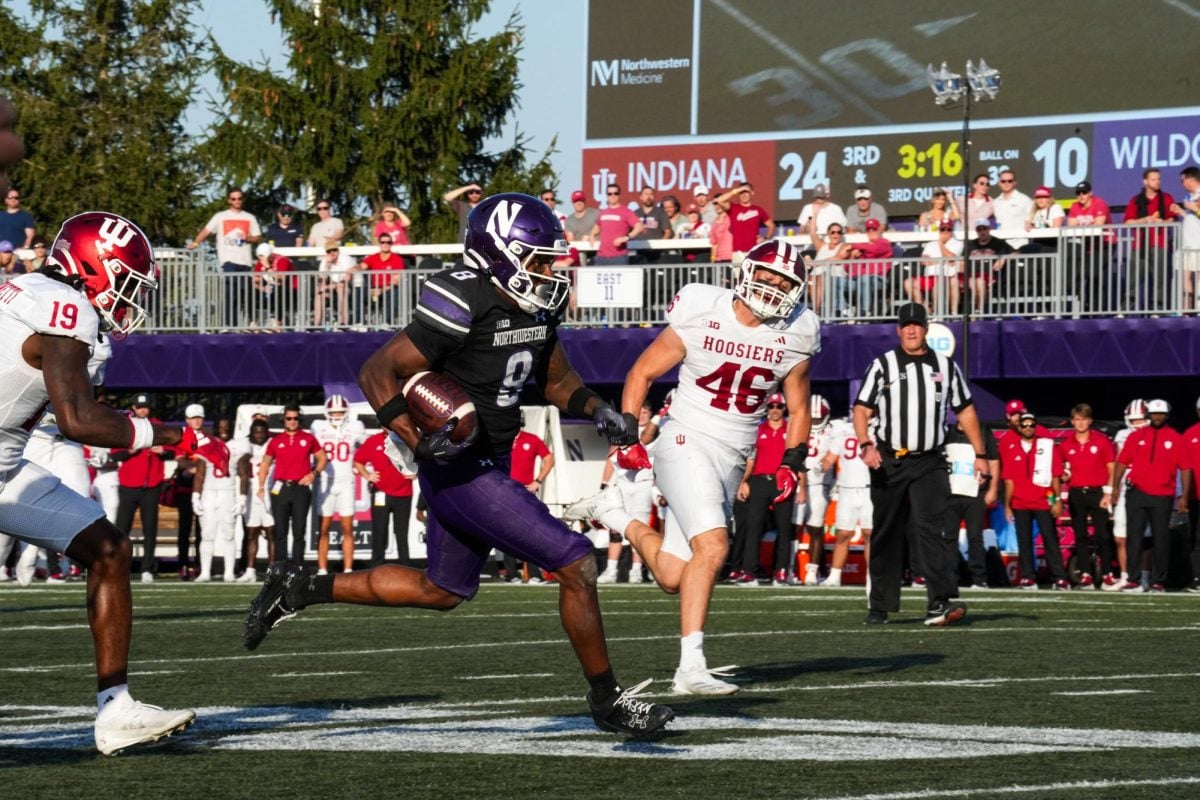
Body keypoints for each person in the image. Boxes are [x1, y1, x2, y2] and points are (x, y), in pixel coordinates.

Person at [244, 192, 674, 739]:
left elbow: (556, 380)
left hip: (490, 459)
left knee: (442, 590)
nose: (547, 271)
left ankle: (298, 589)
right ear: (497, 254)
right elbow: (378, 371)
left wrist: (597, 409)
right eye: (536, 259)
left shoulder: (538, 305)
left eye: (549, 259)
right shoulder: (462, 299)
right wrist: (414, 439)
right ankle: (608, 701)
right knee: (576, 562)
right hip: (459, 465)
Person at [568, 239, 819, 694]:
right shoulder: (702, 306)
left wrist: (792, 462)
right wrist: (627, 436)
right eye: (767, 275)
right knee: (715, 546)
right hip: (685, 438)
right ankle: (690, 668)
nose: (774, 287)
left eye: (785, 282)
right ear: (746, 272)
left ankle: (611, 513)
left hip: (733, 454)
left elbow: (799, 408)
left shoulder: (800, 329)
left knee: (671, 575)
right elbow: (642, 372)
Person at [0, 209, 194, 753]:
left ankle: (116, 710)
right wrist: (163, 433)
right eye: (126, 282)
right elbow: (78, 420)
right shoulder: (65, 308)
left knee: (106, 547)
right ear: (94, 266)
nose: (128, 298)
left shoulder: (27, 289)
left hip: (6, 466)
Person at [853, 302, 986, 625]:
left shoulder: (945, 366)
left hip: (930, 460)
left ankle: (939, 601)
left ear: (926, 328)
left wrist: (981, 455)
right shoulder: (883, 365)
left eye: (917, 324)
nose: (912, 330)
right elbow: (861, 409)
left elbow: (965, 410)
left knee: (931, 529)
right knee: (887, 530)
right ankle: (880, 605)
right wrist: (865, 444)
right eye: (906, 325)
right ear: (898, 330)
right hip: (890, 460)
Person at [1111, 399, 1191, 593]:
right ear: (1148, 415)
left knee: (1161, 538)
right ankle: (1134, 579)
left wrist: (1185, 496)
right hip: (1136, 492)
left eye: (1161, 414)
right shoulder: (1136, 436)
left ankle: (1158, 581)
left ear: (1167, 415)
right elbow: (1122, 462)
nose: (1157, 417)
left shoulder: (1175, 438)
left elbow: (1186, 468)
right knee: (1135, 537)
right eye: (1154, 414)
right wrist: (1114, 488)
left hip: (1163, 495)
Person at [730, 392, 794, 585]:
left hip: (782, 481)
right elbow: (750, 459)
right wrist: (744, 481)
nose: (775, 410)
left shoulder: (790, 430)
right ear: (767, 409)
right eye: (771, 407)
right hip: (759, 480)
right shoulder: (758, 430)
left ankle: (781, 570)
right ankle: (749, 571)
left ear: (784, 409)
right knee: (753, 526)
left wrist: (802, 486)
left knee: (784, 527)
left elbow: (798, 458)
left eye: (779, 407)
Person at [1001, 412, 1069, 590]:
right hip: (1020, 502)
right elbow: (1009, 480)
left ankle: (1059, 577)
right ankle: (1028, 577)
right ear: (1019, 427)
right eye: (1024, 425)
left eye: (1032, 425)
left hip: (1042, 500)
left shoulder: (1047, 446)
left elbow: (1055, 475)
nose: (1028, 428)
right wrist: (1007, 505)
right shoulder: (1012, 447)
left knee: (1050, 539)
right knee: (1023, 541)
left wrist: (1056, 500)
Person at [595, 402, 657, 585]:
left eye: (646, 412)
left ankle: (636, 571)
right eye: (640, 411)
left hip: (644, 482)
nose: (642, 415)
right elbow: (611, 456)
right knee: (615, 527)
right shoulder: (624, 428)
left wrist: (659, 416)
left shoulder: (654, 430)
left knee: (639, 527)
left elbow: (645, 439)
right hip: (623, 481)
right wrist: (604, 484)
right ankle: (611, 569)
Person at [112, 394, 172, 581]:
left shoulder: (158, 425)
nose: (143, 410)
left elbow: (173, 450)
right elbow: (115, 455)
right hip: (129, 484)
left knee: (150, 528)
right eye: (139, 407)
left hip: (152, 485)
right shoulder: (126, 426)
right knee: (122, 529)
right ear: (133, 408)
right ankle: (118, 567)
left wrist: (163, 451)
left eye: (145, 407)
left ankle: (147, 568)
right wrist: (129, 451)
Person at [257, 404, 326, 563]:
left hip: (300, 489)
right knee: (280, 532)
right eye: (289, 418)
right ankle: (281, 568)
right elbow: (265, 463)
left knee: (299, 532)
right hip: (280, 489)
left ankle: (297, 568)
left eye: (295, 418)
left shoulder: (308, 438)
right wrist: (261, 487)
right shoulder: (276, 440)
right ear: (284, 420)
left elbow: (322, 458)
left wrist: (314, 473)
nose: (292, 421)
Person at [1057, 403, 1116, 588]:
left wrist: (1109, 492)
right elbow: (1062, 471)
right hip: (1076, 493)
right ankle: (1085, 575)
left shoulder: (1101, 441)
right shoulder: (1065, 445)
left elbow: (1111, 468)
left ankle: (1107, 573)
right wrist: (1065, 476)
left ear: (1089, 421)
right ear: (1072, 421)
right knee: (1080, 536)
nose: (1080, 423)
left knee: (1103, 535)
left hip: (1098, 492)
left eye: (1084, 419)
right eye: (1077, 419)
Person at [187, 187, 262, 328]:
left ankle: (251, 323)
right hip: (228, 260)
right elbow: (206, 230)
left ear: (242, 200)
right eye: (234, 199)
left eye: (239, 198)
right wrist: (196, 242)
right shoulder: (220, 216)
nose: (237, 201)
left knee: (246, 293)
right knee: (231, 292)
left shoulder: (249, 218)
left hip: (245, 261)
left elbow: (258, 237)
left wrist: (248, 238)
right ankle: (229, 324)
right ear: (229, 200)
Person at [312, 394, 367, 574]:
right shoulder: (318, 427)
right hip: (325, 482)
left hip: (346, 482)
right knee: (324, 527)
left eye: (340, 412)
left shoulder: (354, 427)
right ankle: (322, 569)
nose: (336, 415)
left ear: (346, 412)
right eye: (333, 412)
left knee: (347, 527)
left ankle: (348, 569)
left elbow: (367, 444)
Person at [944, 416, 1000, 588]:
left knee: (975, 536)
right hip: (951, 493)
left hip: (975, 492)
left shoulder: (983, 432)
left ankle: (979, 578)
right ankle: (949, 578)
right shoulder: (948, 432)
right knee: (949, 537)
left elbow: (994, 461)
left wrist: (993, 488)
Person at [821, 413, 874, 587]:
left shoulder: (879, 430)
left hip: (869, 488)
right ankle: (835, 575)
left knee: (869, 534)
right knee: (842, 534)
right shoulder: (843, 431)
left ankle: (871, 575)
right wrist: (815, 467)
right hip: (846, 488)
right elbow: (829, 458)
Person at [1103, 399, 1151, 590]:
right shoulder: (1122, 435)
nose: (1137, 423)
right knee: (1120, 536)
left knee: (1145, 537)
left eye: (1140, 419)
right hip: (1124, 489)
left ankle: (1145, 577)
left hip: (1147, 489)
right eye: (1134, 419)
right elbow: (1116, 464)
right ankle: (1125, 576)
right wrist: (1110, 490)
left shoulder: (1154, 435)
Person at [504, 411, 556, 583]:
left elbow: (548, 459)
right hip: (505, 490)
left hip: (526, 491)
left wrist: (538, 481)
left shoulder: (531, 439)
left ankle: (534, 573)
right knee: (507, 530)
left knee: (530, 530)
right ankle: (511, 573)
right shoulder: (501, 440)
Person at [353, 429, 416, 568]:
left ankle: (406, 566)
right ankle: (376, 565)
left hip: (404, 493)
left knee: (401, 531)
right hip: (380, 493)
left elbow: (422, 457)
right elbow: (358, 460)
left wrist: (416, 472)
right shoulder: (374, 440)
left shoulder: (406, 437)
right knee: (379, 530)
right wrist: (367, 475)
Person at [792, 395, 836, 587]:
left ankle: (813, 570)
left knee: (815, 529)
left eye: (819, 418)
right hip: (798, 483)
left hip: (820, 484)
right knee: (793, 528)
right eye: (814, 417)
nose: (816, 421)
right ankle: (789, 568)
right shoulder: (799, 426)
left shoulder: (835, 431)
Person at [1123, 168, 1179, 312]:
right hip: (1139, 245)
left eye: (1159, 179)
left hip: (1159, 243)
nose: (1157, 182)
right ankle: (1127, 307)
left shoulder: (1166, 198)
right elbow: (1128, 222)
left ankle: (1157, 308)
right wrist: (1144, 220)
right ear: (1145, 181)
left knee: (1159, 278)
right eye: (1154, 179)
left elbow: (1172, 219)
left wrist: (1162, 221)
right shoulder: (1136, 200)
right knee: (1133, 278)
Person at [191, 416, 238, 582]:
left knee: (229, 534)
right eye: (221, 427)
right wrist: (195, 496)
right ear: (216, 429)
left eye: (227, 427)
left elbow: (244, 474)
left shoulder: (238, 445)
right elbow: (200, 473)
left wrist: (242, 497)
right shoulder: (207, 445)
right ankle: (205, 572)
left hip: (228, 492)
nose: (224, 430)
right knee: (207, 534)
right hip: (209, 493)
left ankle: (229, 572)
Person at [236, 419, 275, 582]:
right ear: (251, 432)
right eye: (256, 431)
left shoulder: (273, 443)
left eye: (262, 432)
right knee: (252, 532)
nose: (259, 435)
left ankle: (272, 571)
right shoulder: (244, 445)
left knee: (271, 532)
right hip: (251, 491)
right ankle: (250, 570)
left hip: (268, 490)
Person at [1065, 181, 1113, 312]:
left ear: (1090, 193)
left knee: (1093, 273)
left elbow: (1098, 225)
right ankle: (1085, 304)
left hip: (1104, 244)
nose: (1081, 195)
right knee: (1080, 273)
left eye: (1084, 192)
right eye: (1078, 193)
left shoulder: (1099, 203)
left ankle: (1096, 307)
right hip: (1086, 246)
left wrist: (1082, 227)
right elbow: (1071, 226)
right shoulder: (1075, 206)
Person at [715, 183, 775, 266]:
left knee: (753, 277)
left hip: (755, 252)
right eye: (741, 192)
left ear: (752, 193)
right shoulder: (733, 208)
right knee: (739, 277)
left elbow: (771, 226)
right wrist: (736, 190)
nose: (744, 194)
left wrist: (765, 238)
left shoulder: (758, 210)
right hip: (737, 252)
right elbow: (719, 200)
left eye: (746, 192)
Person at [912, 220, 963, 314]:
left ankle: (938, 314)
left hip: (946, 275)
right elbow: (924, 261)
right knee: (909, 283)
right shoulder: (930, 244)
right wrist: (942, 261)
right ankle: (925, 311)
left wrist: (940, 244)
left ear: (952, 231)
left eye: (948, 229)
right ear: (939, 230)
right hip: (930, 275)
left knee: (938, 285)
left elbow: (950, 258)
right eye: (943, 229)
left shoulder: (957, 243)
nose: (945, 231)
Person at [846, 218, 893, 317]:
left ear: (879, 230)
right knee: (837, 282)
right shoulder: (862, 248)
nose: (871, 232)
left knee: (865, 278)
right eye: (869, 230)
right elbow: (848, 269)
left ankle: (866, 311)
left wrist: (855, 246)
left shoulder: (884, 242)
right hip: (859, 279)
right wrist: (852, 257)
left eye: (874, 229)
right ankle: (841, 311)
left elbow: (875, 250)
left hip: (879, 280)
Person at [962, 222, 1012, 313]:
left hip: (991, 276)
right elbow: (962, 261)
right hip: (972, 276)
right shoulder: (970, 244)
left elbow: (1016, 252)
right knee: (974, 282)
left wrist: (1004, 258)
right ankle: (975, 312)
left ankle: (979, 312)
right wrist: (964, 278)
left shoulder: (999, 243)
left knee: (980, 281)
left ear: (989, 229)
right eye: (979, 229)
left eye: (984, 228)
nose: (982, 231)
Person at [361, 232, 406, 328]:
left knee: (393, 293)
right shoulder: (373, 257)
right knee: (359, 292)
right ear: (379, 244)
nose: (385, 244)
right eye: (383, 242)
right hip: (374, 289)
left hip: (388, 289)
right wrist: (352, 269)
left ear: (391, 244)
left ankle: (387, 323)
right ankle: (359, 323)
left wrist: (381, 290)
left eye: (388, 242)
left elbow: (396, 280)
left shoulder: (397, 259)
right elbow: (361, 266)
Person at [592, 184, 643, 266]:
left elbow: (639, 226)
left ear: (619, 195)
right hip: (601, 257)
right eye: (610, 194)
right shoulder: (602, 213)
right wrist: (592, 235)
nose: (613, 196)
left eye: (615, 193)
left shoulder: (626, 212)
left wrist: (626, 237)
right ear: (607, 196)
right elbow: (598, 226)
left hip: (619, 257)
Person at [1172, 166, 1200, 311]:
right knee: (1185, 276)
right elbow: (1192, 218)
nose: (1181, 184)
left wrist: (1196, 209)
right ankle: (1186, 310)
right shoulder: (1189, 197)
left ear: (1190, 179)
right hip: (1187, 243)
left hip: (1198, 244)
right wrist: (1182, 212)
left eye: (1182, 180)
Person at [630, 185, 673, 265]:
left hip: (656, 253)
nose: (648, 197)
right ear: (641, 197)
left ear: (654, 197)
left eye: (651, 194)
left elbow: (668, 232)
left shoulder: (660, 212)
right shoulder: (635, 213)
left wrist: (660, 245)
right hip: (639, 252)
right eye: (646, 194)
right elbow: (629, 232)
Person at [1183, 396, 1200, 592]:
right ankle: (1197, 578)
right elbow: (1183, 467)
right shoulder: (1189, 435)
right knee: (1196, 539)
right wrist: (1184, 496)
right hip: (1196, 496)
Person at [993, 169, 1033, 251]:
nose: (1006, 183)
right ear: (999, 183)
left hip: (1019, 244)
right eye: (1003, 181)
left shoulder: (1024, 199)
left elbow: (1034, 217)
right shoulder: (995, 202)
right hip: (1001, 245)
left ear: (1014, 183)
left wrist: (1031, 224)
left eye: (1009, 181)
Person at [563, 190, 599, 266]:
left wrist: (591, 236)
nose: (579, 203)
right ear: (573, 203)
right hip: (580, 254)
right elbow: (570, 238)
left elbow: (602, 226)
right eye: (576, 201)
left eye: (581, 200)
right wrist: (583, 241)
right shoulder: (569, 220)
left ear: (584, 201)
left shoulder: (595, 213)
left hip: (597, 252)